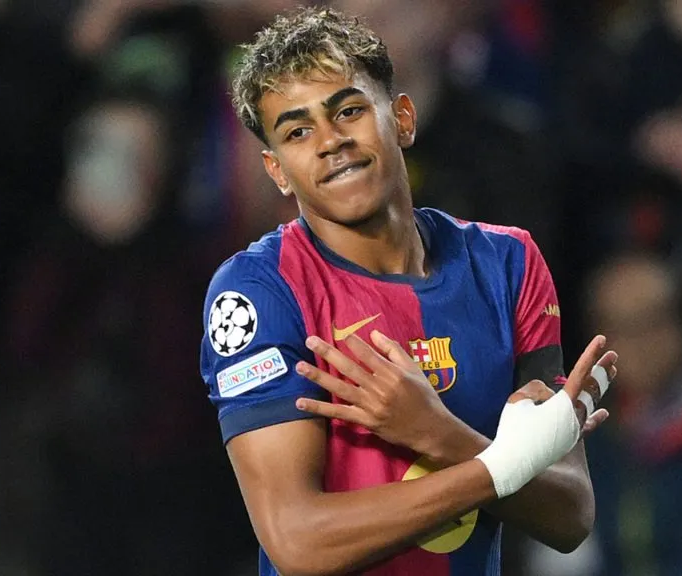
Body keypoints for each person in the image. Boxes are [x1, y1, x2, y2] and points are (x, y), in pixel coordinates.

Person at [198, 7, 618, 576]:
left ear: (402, 119)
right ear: (276, 170)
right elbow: (297, 540)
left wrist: (438, 434)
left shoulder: (509, 263)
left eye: (347, 111)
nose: (329, 142)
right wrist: (500, 462)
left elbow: (570, 516)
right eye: (298, 131)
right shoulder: (257, 292)